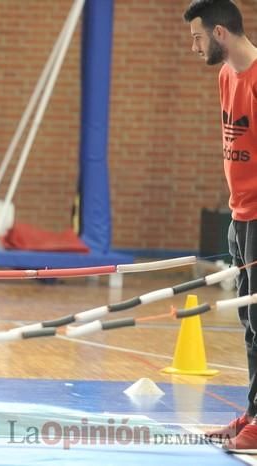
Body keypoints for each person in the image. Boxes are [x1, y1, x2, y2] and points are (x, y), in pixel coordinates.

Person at [185, 0, 257, 452]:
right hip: (240, 213)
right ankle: (253, 410)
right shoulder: (225, 75)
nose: (193, 48)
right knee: (250, 321)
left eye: (196, 37)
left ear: (219, 34)